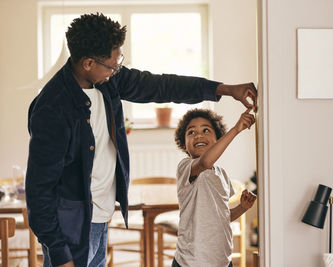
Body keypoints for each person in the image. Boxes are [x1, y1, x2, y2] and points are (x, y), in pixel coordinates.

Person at [25, 13, 257, 267]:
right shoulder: (51, 109)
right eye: (113, 65)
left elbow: (161, 86)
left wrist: (224, 89)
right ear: (89, 63)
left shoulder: (107, 80)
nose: (117, 70)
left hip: (102, 218)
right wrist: (59, 254)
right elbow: (39, 192)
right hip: (72, 228)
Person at [173, 108, 257, 267]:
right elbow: (204, 163)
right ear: (184, 145)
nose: (198, 135)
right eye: (191, 132)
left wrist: (242, 207)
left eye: (206, 130)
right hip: (191, 261)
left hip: (222, 260)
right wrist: (236, 129)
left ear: (217, 139)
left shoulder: (222, 175)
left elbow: (222, 217)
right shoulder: (186, 167)